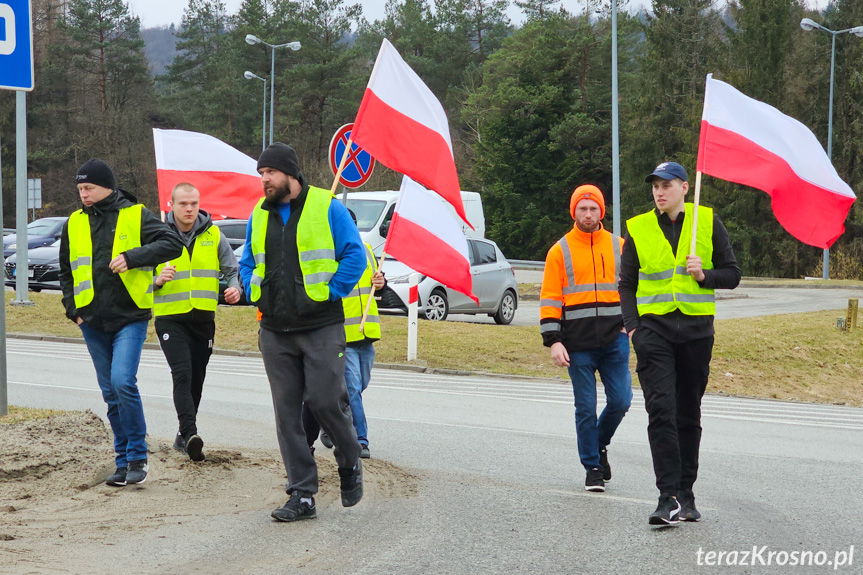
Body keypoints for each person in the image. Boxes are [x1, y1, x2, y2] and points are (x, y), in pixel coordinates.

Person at [239, 142, 366, 522]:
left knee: (326, 402)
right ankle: (302, 493)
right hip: (275, 329)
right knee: (287, 415)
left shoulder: (327, 207)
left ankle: (349, 462)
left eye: (270, 173)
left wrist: (330, 292)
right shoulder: (258, 215)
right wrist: (251, 288)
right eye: (261, 174)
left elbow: (355, 255)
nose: (264, 181)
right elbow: (247, 261)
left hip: (321, 326)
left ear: (290, 174)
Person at [619, 161, 740, 525]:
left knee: (688, 414)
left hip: (696, 333)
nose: (659, 192)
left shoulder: (707, 222)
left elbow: (732, 275)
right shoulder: (638, 228)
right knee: (660, 411)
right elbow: (626, 284)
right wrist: (633, 329)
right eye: (655, 185)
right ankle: (666, 496)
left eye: (667, 185)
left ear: (685, 188)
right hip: (653, 333)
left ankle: (686, 494)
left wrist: (704, 275)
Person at [59, 158, 183, 487]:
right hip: (92, 320)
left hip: (130, 317)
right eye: (80, 189)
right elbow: (66, 272)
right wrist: (74, 310)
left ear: (107, 187)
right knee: (109, 393)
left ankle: (138, 455)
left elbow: (174, 243)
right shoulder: (73, 222)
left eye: (88, 188)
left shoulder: (135, 214)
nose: (83, 194)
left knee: (122, 382)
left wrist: (133, 258)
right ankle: (122, 460)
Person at [540, 185, 632, 493]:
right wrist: (554, 340)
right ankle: (592, 467)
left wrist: (629, 325)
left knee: (621, 401)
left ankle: (599, 442)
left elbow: (635, 291)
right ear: (574, 212)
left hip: (614, 341)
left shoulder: (620, 246)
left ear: (601, 211)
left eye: (593, 208)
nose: (588, 214)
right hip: (576, 345)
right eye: (583, 209)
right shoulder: (560, 250)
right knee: (585, 407)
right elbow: (550, 299)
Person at [153, 182, 242, 462]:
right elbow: (137, 274)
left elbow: (231, 269)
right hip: (170, 317)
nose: (189, 209)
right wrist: (155, 280)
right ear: (172, 205)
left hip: (203, 318)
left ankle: (183, 434)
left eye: (193, 203)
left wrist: (235, 288)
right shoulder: (156, 234)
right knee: (182, 373)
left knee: (197, 377)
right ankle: (191, 434)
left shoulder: (213, 233)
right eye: (183, 204)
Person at [307, 234, 386, 459]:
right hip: (342, 334)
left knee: (359, 386)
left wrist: (381, 283)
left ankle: (327, 423)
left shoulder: (366, 249)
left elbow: (377, 288)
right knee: (351, 390)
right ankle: (360, 439)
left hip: (367, 333)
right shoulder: (330, 253)